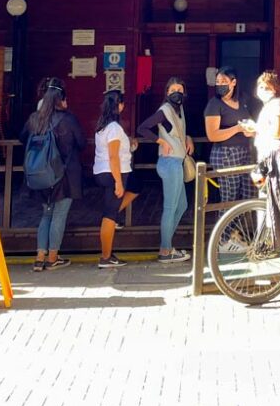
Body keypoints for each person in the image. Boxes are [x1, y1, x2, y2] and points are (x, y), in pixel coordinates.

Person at [20, 77, 86, 272]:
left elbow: (22, 138)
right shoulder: (68, 119)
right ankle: (53, 257)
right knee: (59, 215)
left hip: (40, 174)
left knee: (46, 215)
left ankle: (39, 257)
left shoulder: (35, 118)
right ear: (61, 99)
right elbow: (81, 143)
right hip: (64, 175)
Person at [137, 77, 194, 263]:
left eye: (180, 89)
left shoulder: (180, 110)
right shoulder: (164, 111)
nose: (177, 93)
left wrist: (188, 138)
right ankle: (165, 250)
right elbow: (143, 128)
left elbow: (177, 131)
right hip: (169, 163)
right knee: (170, 208)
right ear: (167, 93)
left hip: (176, 162)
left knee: (182, 206)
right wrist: (160, 141)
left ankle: (167, 244)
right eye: (172, 90)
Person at [204, 66, 256, 215]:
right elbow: (212, 135)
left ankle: (243, 232)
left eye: (224, 81)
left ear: (233, 82)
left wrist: (251, 130)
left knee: (249, 193)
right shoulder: (214, 104)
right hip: (225, 154)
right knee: (230, 197)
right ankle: (225, 236)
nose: (220, 84)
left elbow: (250, 120)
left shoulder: (243, 100)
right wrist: (237, 129)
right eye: (218, 81)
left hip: (246, 152)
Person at [92, 89, 132, 268]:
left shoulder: (102, 126)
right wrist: (118, 182)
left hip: (101, 171)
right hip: (114, 172)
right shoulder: (115, 128)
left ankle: (113, 218)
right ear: (120, 105)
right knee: (109, 215)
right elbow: (113, 156)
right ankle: (106, 257)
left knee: (136, 186)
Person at [250, 70, 280, 163]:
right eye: (261, 87)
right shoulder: (267, 106)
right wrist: (252, 132)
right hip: (265, 154)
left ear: (275, 90)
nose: (263, 90)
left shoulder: (276, 105)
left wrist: (256, 127)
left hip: (273, 157)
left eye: (267, 88)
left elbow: (277, 134)